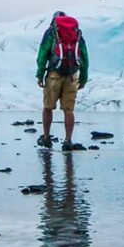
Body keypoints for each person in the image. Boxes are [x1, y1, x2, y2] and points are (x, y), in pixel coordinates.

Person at [36, 11, 89, 151]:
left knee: (48, 107)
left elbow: (43, 54)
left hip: (54, 75)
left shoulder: (51, 32)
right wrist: (83, 77)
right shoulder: (76, 34)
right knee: (68, 110)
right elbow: (84, 55)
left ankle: (46, 138)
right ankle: (68, 141)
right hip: (72, 76)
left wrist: (40, 74)